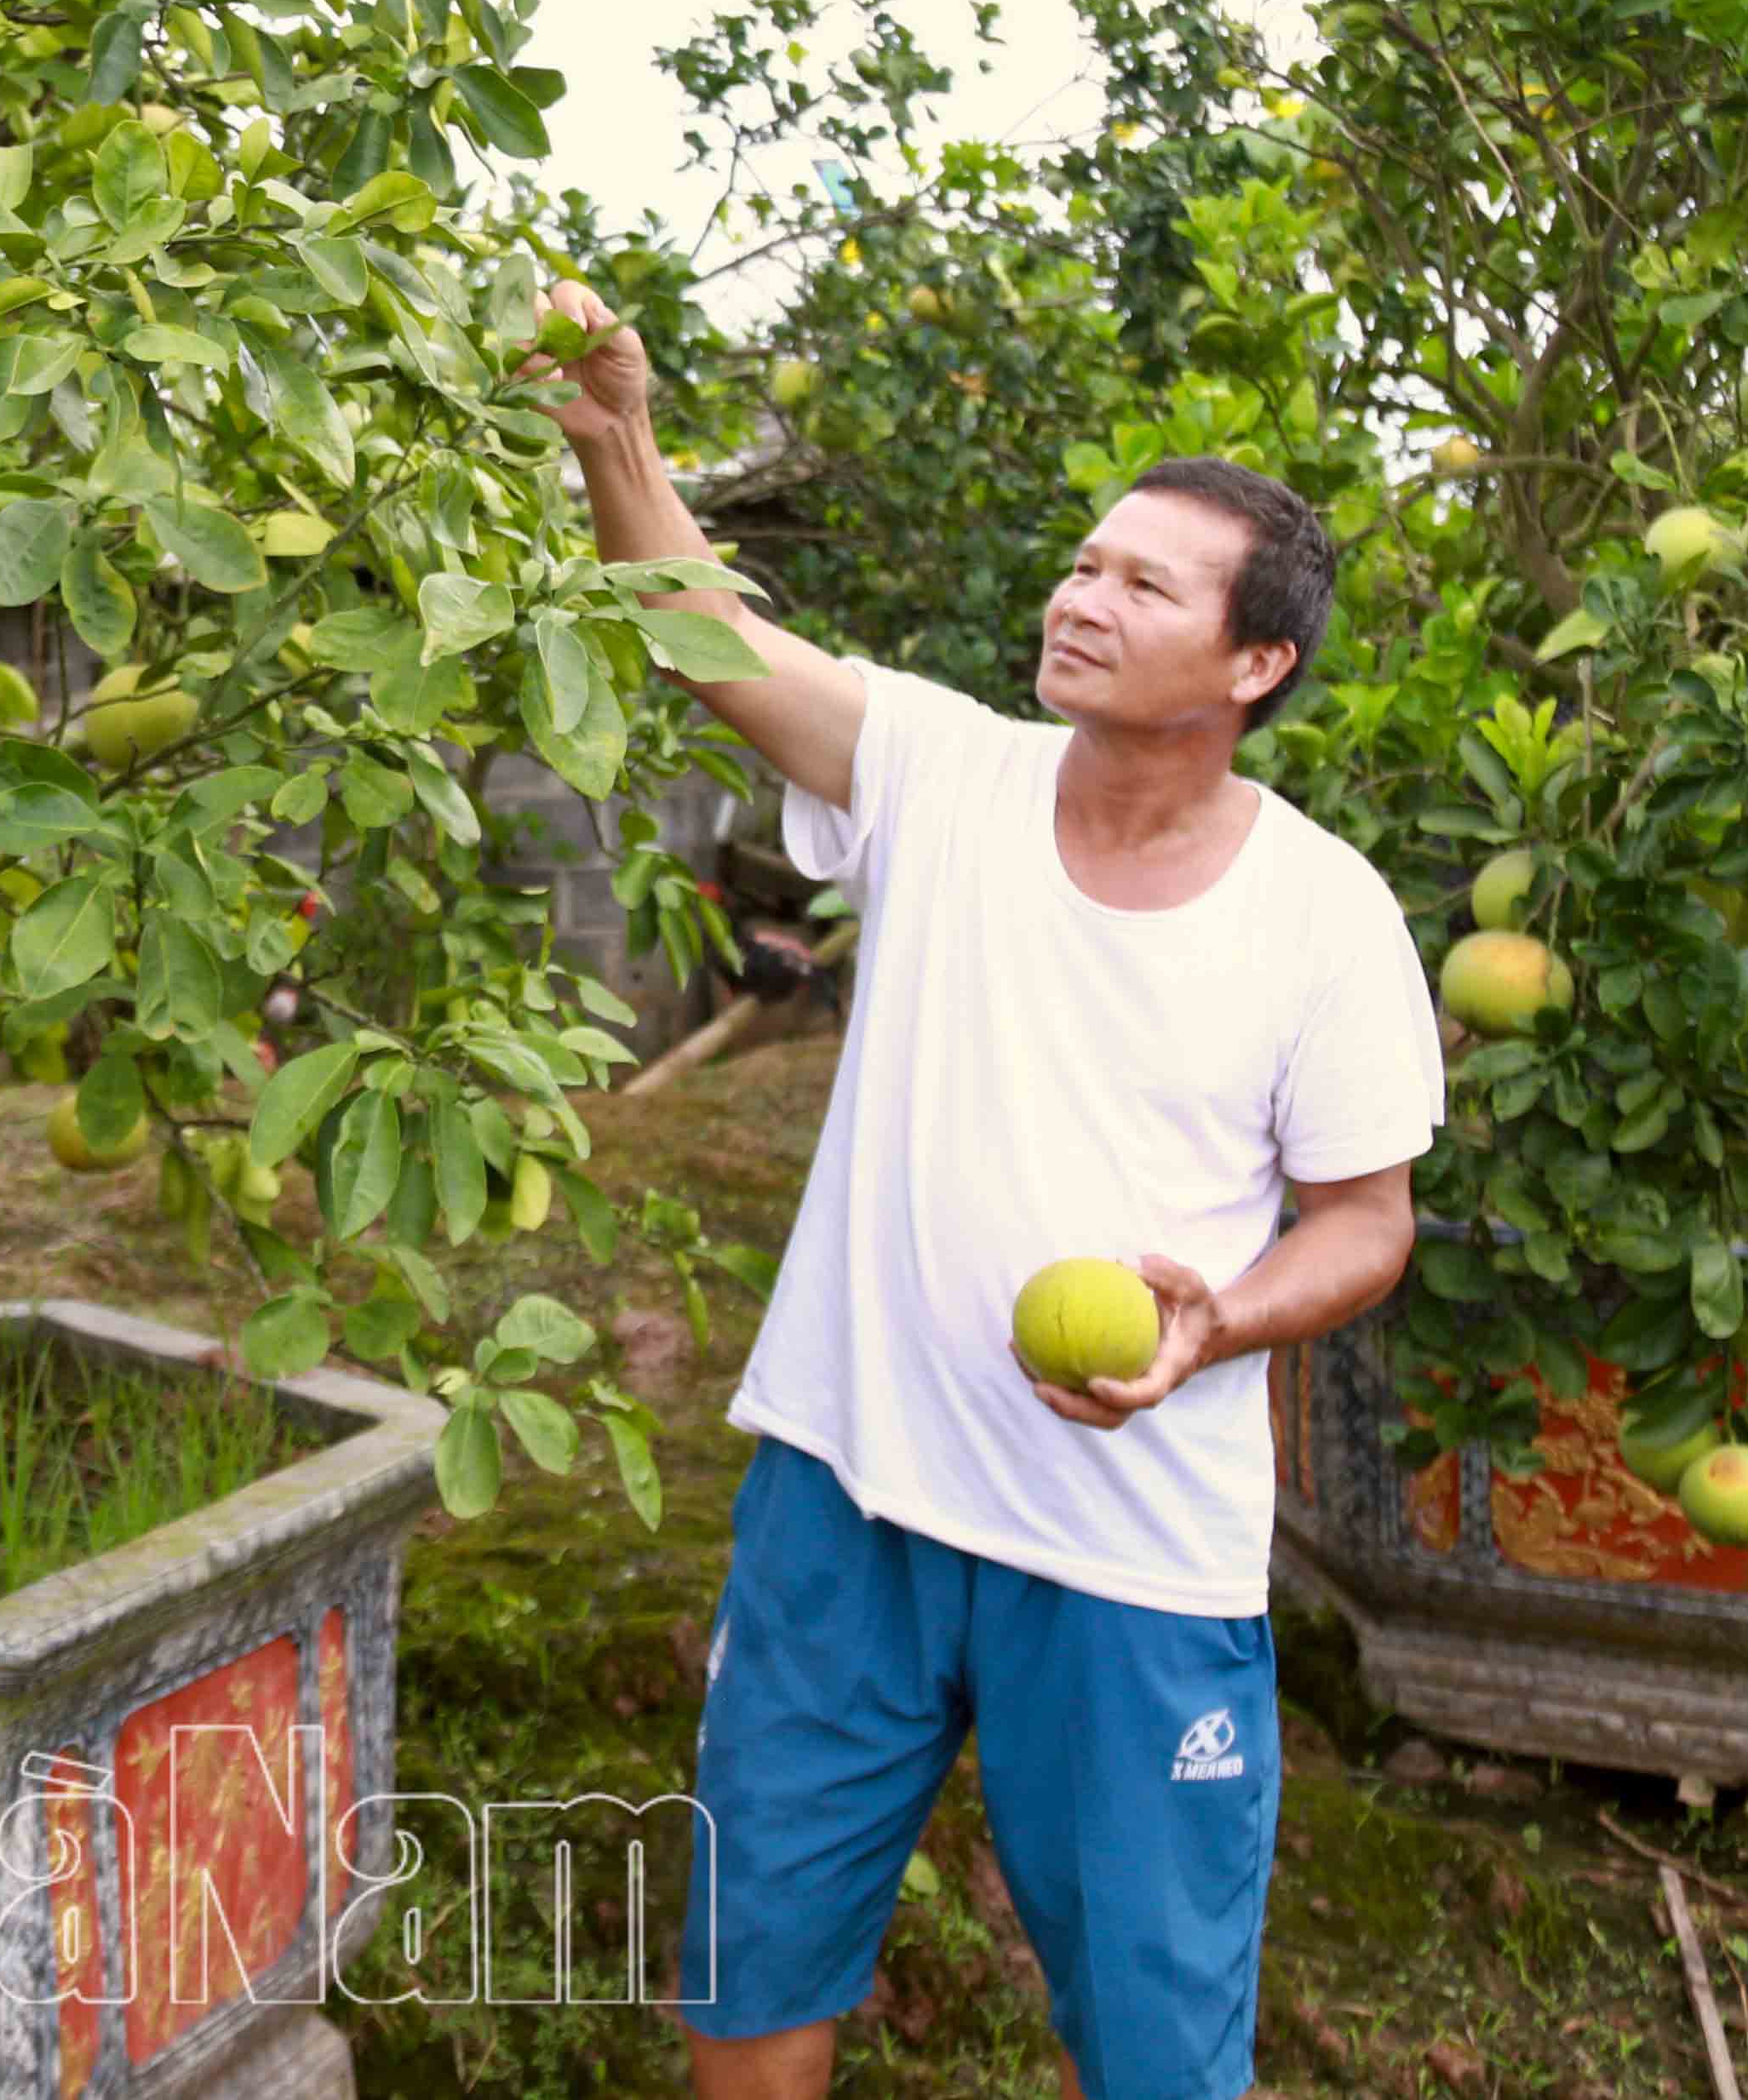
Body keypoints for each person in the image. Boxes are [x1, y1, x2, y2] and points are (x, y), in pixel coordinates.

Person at [520, 280, 1441, 2100]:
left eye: (1141, 586)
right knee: (754, 1977)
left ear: (1253, 663)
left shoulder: (1325, 913)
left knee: (1161, 2048)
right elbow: (713, 645)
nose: (1081, 599)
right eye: (1084, 564)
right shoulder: (948, 773)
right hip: (847, 1493)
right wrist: (616, 435)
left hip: (1123, 1559)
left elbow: (1367, 1218)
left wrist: (1220, 1319)